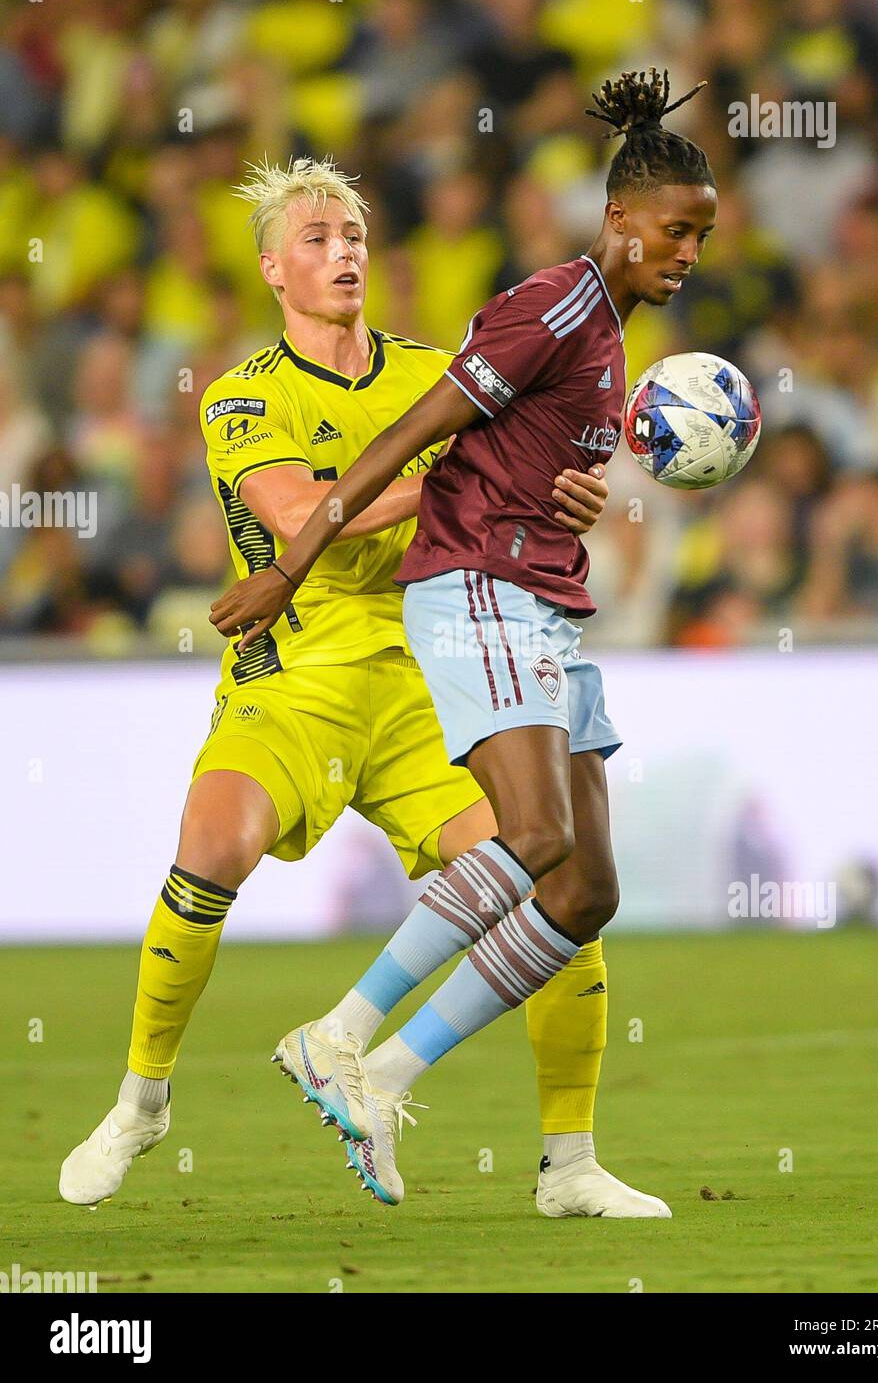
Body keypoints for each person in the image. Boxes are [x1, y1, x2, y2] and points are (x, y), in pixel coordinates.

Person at [58, 152, 658, 1219]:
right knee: (208, 853)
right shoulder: (244, 396)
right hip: (292, 681)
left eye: (355, 239)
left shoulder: (432, 368)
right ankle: (141, 1101)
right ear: (271, 272)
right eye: (318, 240)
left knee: (555, 885)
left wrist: (560, 493)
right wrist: (467, 473)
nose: (343, 255)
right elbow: (302, 516)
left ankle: (568, 1163)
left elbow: (542, 474)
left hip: (429, 675)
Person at [211, 68, 718, 1209]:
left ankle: (390, 1080)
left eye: (700, 237)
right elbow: (408, 434)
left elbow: (516, 460)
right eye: (672, 230)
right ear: (617, 218)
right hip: (477, 591)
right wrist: (287, 566)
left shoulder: (613, 337)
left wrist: (573, 500)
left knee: (586, 892)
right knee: (531, 833)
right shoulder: (553, 306)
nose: (686, 252)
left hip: (546, 595)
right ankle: (337, 1029)